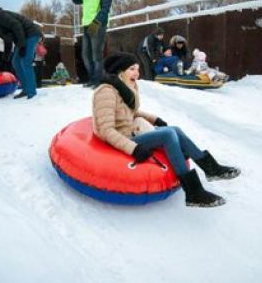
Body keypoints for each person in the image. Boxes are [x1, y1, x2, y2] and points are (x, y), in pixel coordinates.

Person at [92, 52, 241, 207]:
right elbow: (106, 130)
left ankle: (211, 169)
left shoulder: (125, 87)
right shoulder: (107, 92)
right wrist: (133, 148)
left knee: (174, 129)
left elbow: (129, 112)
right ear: (120, 71)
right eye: (132, 69)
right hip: (121, 139)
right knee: (168, 134)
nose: (137, 73)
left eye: (137, 69)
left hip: (129, 131)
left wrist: (154, 119)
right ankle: (194, 193)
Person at [0, 7, 43, 99]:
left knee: (25, 62)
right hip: (22, 38)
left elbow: (16, 25)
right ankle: (25, 89)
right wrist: (5, 59)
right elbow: (8, 41)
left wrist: (22, 46)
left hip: (30, 33)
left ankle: (31, 92)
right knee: (15, 62)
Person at [68, 0, 113, 88]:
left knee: (96, 55)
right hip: (87, 26)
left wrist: (95, 23)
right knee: (86, 56)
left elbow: (105, 9)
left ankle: (98, 80)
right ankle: (93, 79)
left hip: (98, 25)